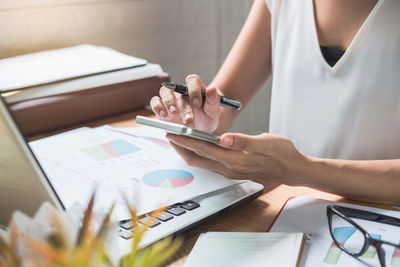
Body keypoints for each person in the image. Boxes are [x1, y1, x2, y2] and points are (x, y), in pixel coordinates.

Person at [150, 0, 400, 205]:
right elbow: (227, 97)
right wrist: (201, 118)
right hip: (286, 211)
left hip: (379, 223)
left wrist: (303, 170)